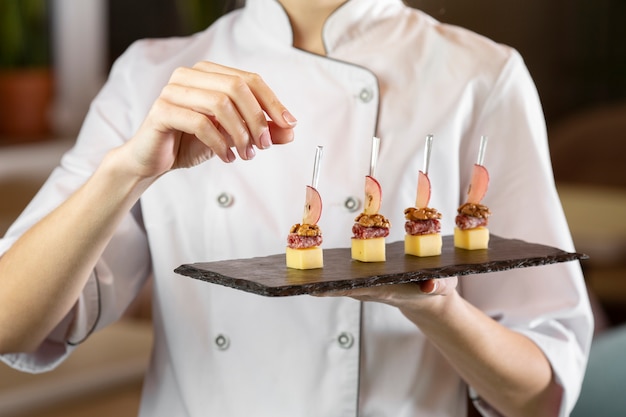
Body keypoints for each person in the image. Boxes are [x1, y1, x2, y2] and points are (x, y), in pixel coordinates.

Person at [0, 0, 593, 416]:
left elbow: (539, 398)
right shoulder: (151, 76)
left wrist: (439, 307)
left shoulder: (481, 75)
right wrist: (126, 171)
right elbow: (10, 324)